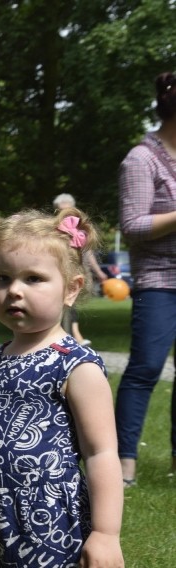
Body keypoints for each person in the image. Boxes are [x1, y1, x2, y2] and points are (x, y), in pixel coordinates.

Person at [0, 208, 124, 567]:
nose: (14, 290)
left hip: (51, 520)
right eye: (3, 277)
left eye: (33, 279)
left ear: (71, 289)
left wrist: (106, 534)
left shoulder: (75, 365)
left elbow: (101, 453)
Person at [115, 70, 176, 487]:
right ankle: (123, 463)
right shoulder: (141, 158)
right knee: (146, 368)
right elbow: (133, 225)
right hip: (159, 279)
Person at [52, 193, 108, 347]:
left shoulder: (80, 231)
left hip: (79, 271)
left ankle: (73, 336)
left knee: (72, 303)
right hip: (61, 271)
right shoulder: (53, 230)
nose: (64, 213)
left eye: (68, 210)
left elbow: (88, 254)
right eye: (60, 210)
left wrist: (98, 272)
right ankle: (71, 337)